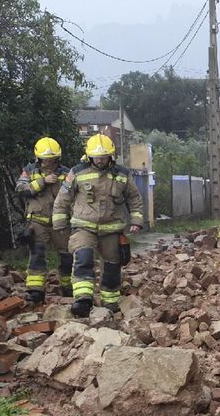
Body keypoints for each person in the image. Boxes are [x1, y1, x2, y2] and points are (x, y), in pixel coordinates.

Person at [52, 134, 143, 317]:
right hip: (84, 227)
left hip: (112, 229)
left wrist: (137, 220)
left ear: (111, 155)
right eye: (96, 156)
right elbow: (63, 198)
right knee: (83, 258)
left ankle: (110, 303)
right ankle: (83, 299)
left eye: (104, 156)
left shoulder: (122, 174)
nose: (100, 160)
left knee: (112, 266)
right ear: (88, 155)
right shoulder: (77, 172)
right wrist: (60, 222)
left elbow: (134, 199)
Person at [15, 137, 72, 304]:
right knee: (37, 255)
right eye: (46, 160)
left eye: (52, 159)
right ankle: (35, 292)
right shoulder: (30, 170)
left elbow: (75, 193)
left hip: (61, 223)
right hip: (38, 222)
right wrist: (42, 182)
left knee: (67, 256)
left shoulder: (66, 173)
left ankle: (68, 289)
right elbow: (20, 188)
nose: (49, 163)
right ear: (38, 157)